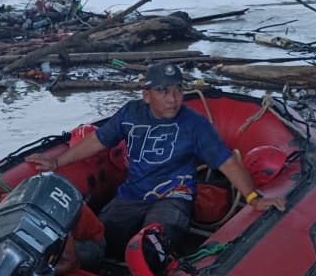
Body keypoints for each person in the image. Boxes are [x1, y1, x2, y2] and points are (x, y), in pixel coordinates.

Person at [27, 61, 286, 257]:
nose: (173, 99)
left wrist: (253, 198)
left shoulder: (194, 124)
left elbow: (226, 161)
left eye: (177, 90)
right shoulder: (131, 114)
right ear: (147, 94)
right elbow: (98, 140)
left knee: (155, 243)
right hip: (132, 194)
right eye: (164, 91)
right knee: (100, 241)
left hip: (173, 195)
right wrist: (57, 163)